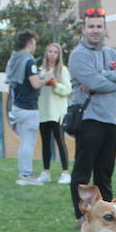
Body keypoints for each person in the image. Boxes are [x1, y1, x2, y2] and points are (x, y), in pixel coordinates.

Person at [67, 8, 116, 221]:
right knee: (83, 172)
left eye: (99, 26)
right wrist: (110, 82)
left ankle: (108, 217)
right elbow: (93, 82)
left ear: (104, 28)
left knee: (105, 173)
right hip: (90, 120)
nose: (95, 30)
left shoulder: (110, 53)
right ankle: (82, 217)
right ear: (84, 29)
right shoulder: (78, 55)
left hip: (112, 120)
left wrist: (104, 76)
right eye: (91, 26)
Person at [5, 30, 44, 185]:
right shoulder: (29, 61)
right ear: (29, 43)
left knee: (24, 141)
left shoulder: (14, 60)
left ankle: (23, 173)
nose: (35, 46)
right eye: (34, 43)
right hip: (28, 107)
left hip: (17, 106)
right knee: (29, 141)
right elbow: (34, 83)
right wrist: (45, 79)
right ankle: (26, 175)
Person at [36, 42, 72, 184]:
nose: (52, 54)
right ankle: (46, 171)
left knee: (60, 141)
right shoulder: (40, 70)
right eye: (49, 51)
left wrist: (55, 84)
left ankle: (65, 172)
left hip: (57, 112)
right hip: (43, 111)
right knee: (45, 143)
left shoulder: (62, 70)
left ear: (58, 55)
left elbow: (67, 90)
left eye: (55, 52)